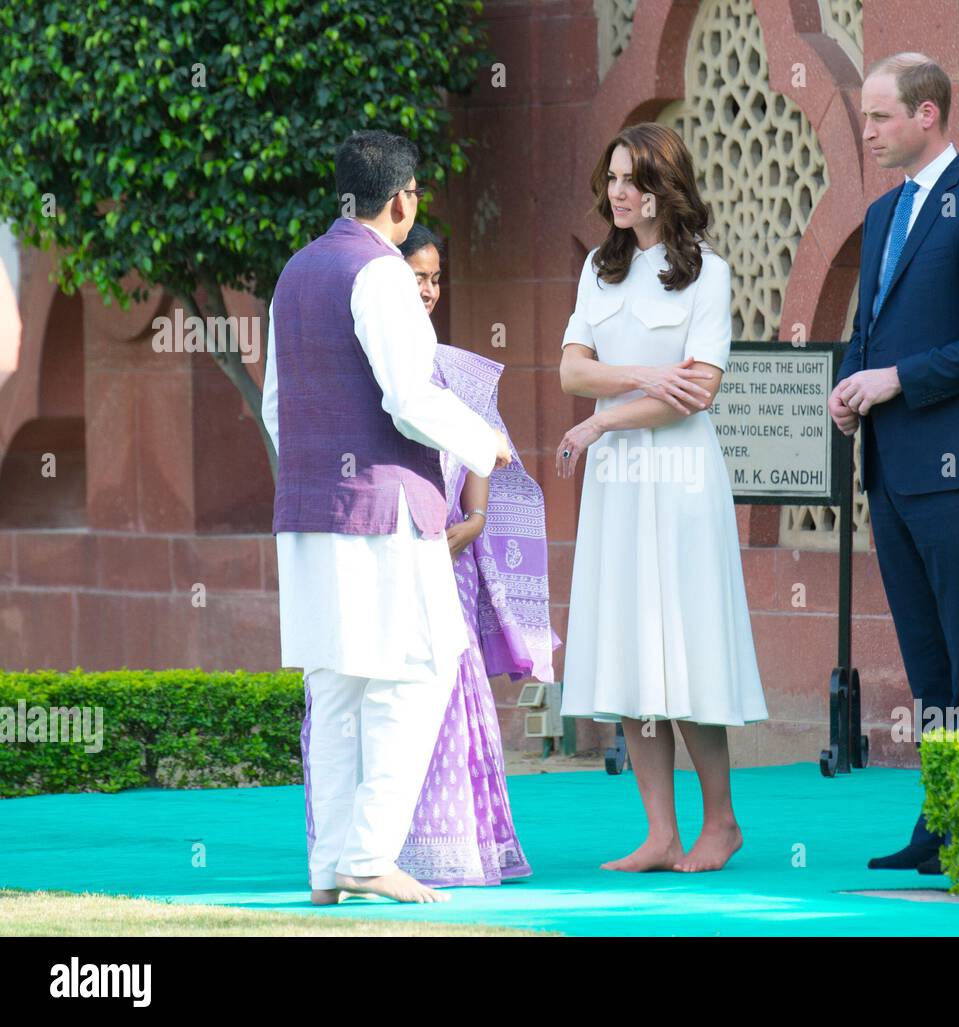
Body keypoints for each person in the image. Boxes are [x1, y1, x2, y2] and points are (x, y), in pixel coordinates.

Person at [263, 129, 513, 904]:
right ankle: (368, 853)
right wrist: (485, 443)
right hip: (382, 512)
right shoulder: (378, 272)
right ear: (402, 198)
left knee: (335, 687)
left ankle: (330, 863)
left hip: (309, 513)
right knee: (422, 669)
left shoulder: (297, 270)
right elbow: (410, 397)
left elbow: (277, 407)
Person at [300, 223, 560, 887]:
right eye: (416, 275)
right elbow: (406, 410)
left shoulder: (460, 374)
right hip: (382, 543)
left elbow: (478, 502)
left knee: (412, 693)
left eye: (435, 278)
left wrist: (452, 536)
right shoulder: (366, 363)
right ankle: (362, 857)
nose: (426, 290)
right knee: (363, 692)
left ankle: (378, 858)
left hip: (440, 563)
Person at [829, 53, 959, 873]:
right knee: (927, 658)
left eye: (879, 116)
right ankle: (942, 820)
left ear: (927, 115)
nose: (867, 130)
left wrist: (898, 380)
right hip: (891, 468)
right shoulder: (882, 215)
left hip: (955, 472)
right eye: (865, 117)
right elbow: (877, 328)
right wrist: (849, 380)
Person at [556, 122, 768, 874]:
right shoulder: (598, 268)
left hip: (679, 483)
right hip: (617, 488)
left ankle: (721, 822)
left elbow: (698, 391)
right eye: (611, 177)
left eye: (632, 179)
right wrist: (644, 378)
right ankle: (659, 832)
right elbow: (571, 372)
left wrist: (606, 418)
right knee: (630, 652)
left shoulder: (708, 271)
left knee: (688, 649)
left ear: (663, 189)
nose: (616, 192)